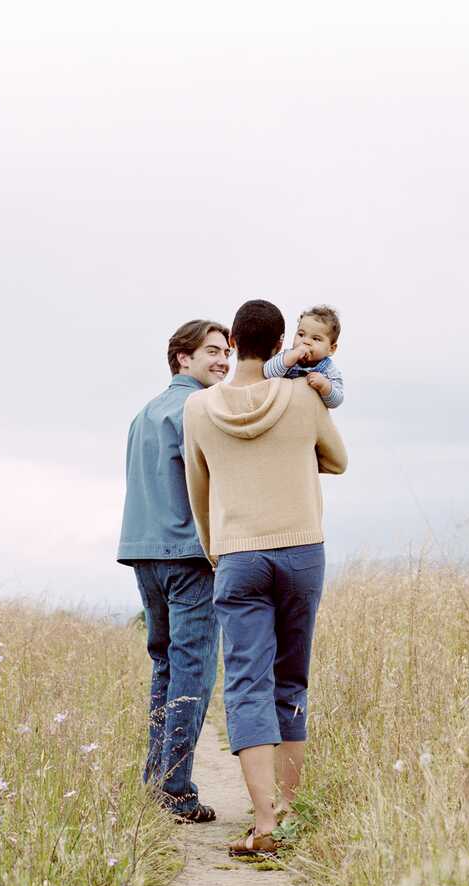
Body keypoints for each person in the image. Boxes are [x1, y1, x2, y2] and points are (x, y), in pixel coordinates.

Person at [181, 299, 348, 855]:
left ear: (233, 346)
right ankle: (293, 811)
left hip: (238, 555)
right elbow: (339, 460)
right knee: (290, 680)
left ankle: (264, 822)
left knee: (246, 683)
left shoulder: (199, 410)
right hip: (302, 549)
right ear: (281, 346)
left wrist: (215, 552)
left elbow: (198, 490)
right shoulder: (304, 395)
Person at [117, 318, 230, 823]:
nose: (223, 360)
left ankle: (154, 782)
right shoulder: (198, 408)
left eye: (226, 351)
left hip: (142, 552)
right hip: (186, 553)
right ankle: (177, 791)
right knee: (194, 670)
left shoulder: (143, 414)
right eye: (211, 351)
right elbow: (212, 479)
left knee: (165, 666)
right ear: (182, 358)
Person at [263, 305, 344, 408]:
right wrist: (290, 358)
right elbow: (267, 372)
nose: (305, 341)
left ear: (331, 349)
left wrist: (325, 386)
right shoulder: (287, 357)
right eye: (301, 335)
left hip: (309, 417)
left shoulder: (329, 370)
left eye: (316, 339)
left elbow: (336, 402)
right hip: (283, 412)